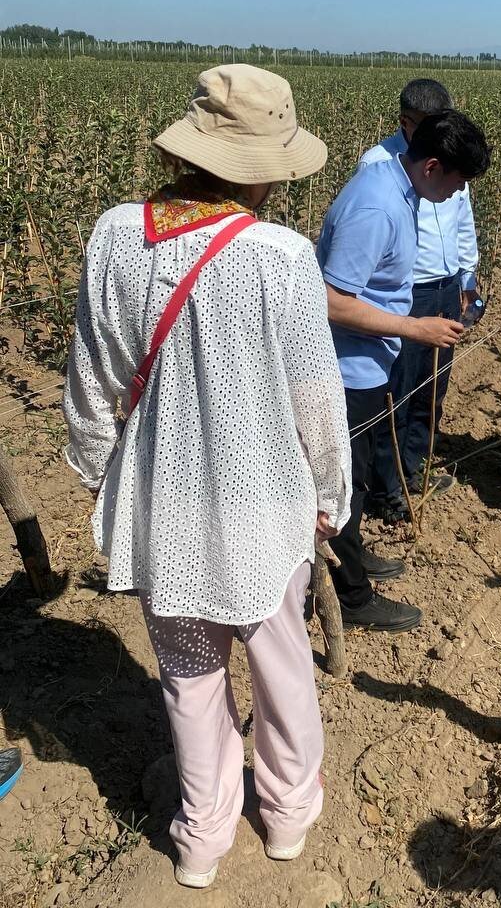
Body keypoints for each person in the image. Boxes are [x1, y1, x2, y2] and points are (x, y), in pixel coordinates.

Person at [63, 65, 351, 887]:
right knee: (282, 663)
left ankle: (201, 838)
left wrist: (94, 466)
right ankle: (288, 816)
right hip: (262, 504)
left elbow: (92, 375)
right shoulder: (281, 256)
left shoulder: (116, 232)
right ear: (264, 164)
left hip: (162, 503)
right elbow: (314, 396)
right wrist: (331, 494)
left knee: (188, 682)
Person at [317, 109, 491, 630]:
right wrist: (416, 328)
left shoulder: (399, 185)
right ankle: (351, 596)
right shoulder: (378, 207)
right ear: (433, 165)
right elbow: (330, 300)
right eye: (458, 182)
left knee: (360, 472)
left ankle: (354, 555)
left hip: (370, 363)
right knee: (342, 481)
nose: (459, 193)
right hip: (346, 371)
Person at [358, 79, 481, 521]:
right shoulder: (377, 165)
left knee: (433, 386)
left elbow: (463, 221)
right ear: (405, 125)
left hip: (448, 286)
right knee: (399, 392)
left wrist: (468, 275)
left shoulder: (452, 154)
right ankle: (384, 490)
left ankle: (414, 470)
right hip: (408, 292)